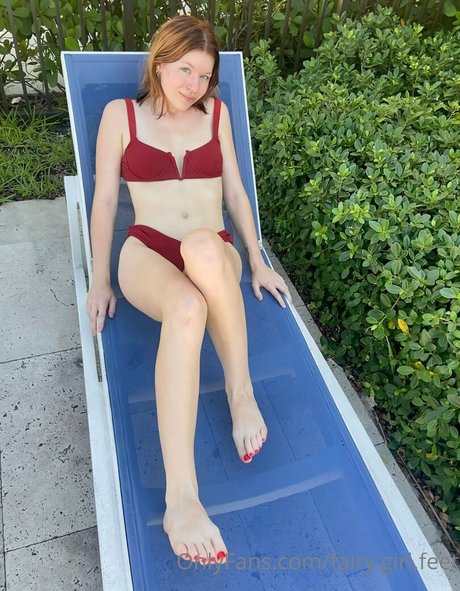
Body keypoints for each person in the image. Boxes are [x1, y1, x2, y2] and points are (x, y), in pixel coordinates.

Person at [86, 14, 292, 567]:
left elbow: (235, 191)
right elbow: (105, 199)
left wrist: (257, 260)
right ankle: (182, 497)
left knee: (202, 245)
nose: (194, 85)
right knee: (185, 307)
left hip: (212, 246)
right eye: (184, 70)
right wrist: (99, 278)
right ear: (159, 62)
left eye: (204, 76)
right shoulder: (120, 116)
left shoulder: (216, 115)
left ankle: (240, 393)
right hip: (147, 251)